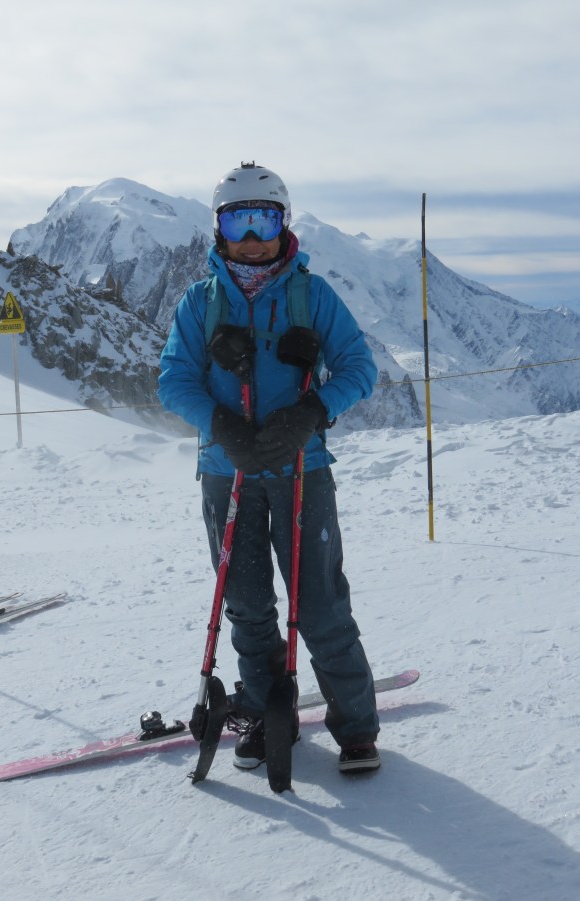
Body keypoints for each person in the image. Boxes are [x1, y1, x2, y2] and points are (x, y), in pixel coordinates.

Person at [157, 162, 380, 774]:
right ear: (219, 227)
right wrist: (222, 426)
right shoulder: (199, 303)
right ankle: (264, 713)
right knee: (248, 603)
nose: (252, 236)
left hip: (301, 470)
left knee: (321, 604)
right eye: (238, 219)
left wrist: (311, 410)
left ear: (283, 222)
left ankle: (356, 728)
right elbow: (172, 380)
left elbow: (359, 368)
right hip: (226, 474)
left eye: (264, 218)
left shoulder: (311, 296)